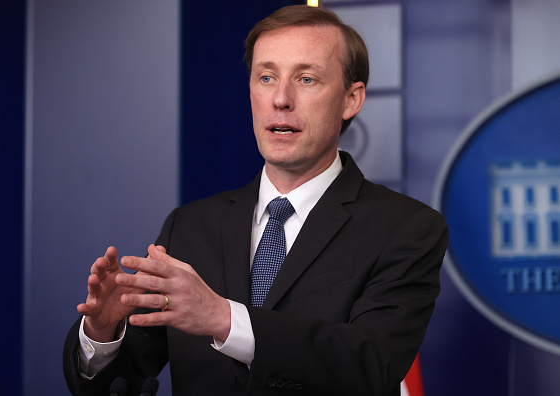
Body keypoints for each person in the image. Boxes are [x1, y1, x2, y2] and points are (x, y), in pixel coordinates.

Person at [63, 5, 448, 396]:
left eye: (307, 78)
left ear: (351, 99)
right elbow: (119, 384)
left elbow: (373, 364)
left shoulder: (406, 228)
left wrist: (225, 319)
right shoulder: (190, 227)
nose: (280, 99)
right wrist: (103, 333)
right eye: (266, 77)